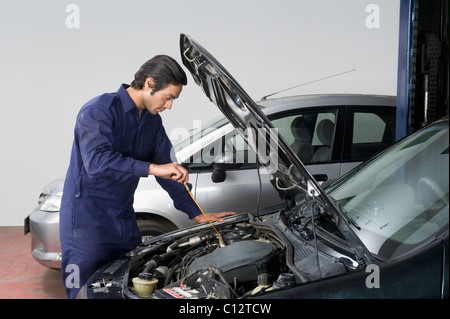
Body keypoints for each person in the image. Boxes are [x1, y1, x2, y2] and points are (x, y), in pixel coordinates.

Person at [59, 55, 235, 298]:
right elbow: (97, 163)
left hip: (123, 219)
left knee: (128, 286)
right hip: (87, 223)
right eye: (169, 97)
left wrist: (196, 213)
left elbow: (169, 169)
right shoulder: (98, 111)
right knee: (84, 291)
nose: (170, 105)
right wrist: (152, 168)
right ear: (150, 84)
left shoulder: (152, 122)